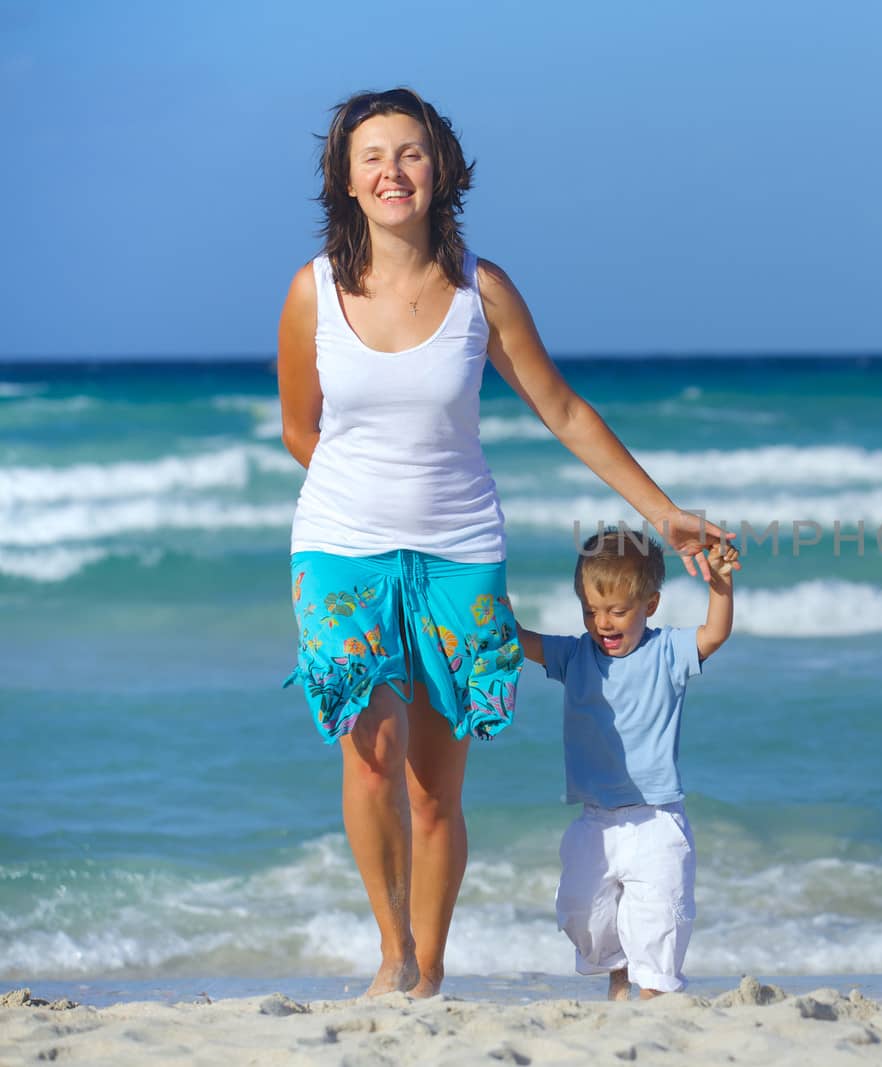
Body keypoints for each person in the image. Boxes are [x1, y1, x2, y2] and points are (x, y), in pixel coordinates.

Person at [276, 88, 732, 999]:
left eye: (410, 152)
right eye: (372, 156)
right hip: (342, 549)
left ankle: (431, 966)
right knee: (368, 749)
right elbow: (301, 429)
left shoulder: (481, 291)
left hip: (459, 552)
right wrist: (362, 504)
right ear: (347, 178)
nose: (392, 170)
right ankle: (391, 950)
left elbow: (562, 409)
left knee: (435, 786)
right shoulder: (313, 291)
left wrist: (665, 509)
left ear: (438, 167)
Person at [519, 526, 738, 1000]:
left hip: (656, 818)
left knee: (658, 920)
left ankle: (653, 1000)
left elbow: (715, 634)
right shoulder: (574, 656)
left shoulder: (667, 652)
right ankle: (618, 979)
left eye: (618, 611)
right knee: (582, 913)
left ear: (650, 605)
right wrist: (477, 595)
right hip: (593, 823)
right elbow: (517, 639)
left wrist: (720, 583)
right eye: (591, 610)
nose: (603, 623)